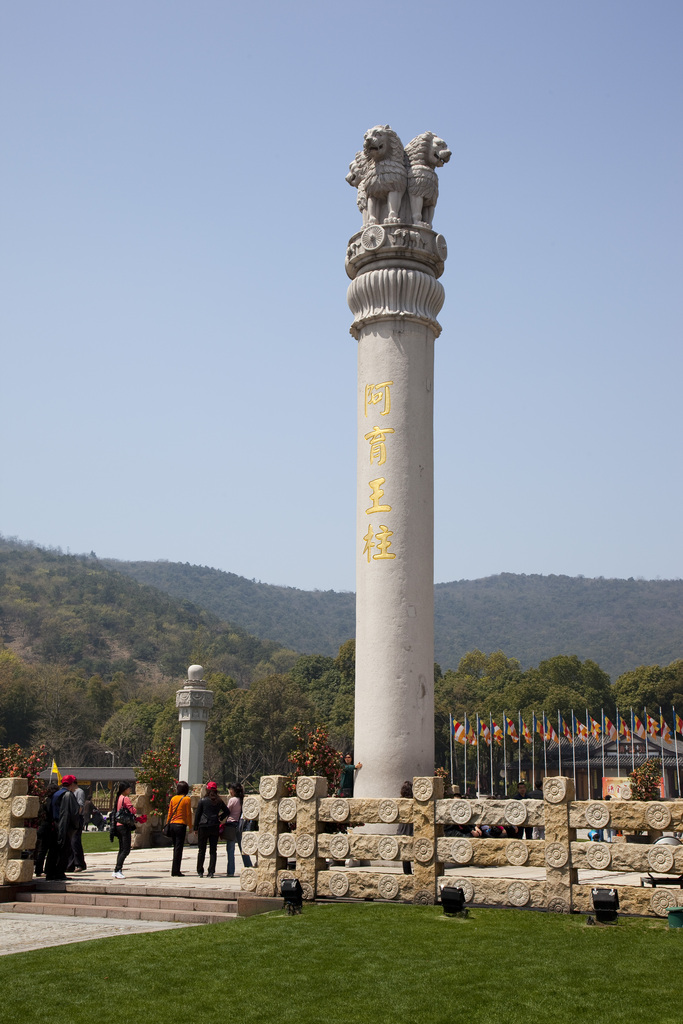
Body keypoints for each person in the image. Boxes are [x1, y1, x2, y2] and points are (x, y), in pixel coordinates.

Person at [45, 775, 80, 880]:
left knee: (54, 849)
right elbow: (73, 813)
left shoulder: (56, 794)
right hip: (64, 824)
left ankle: (50, 872)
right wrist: (75, 826)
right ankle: (60, 872)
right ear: (72, 784)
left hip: (54, 823)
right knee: (64, 850)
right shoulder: (68, 794)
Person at [194, 781, 227, 878]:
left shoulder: (202, 800)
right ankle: (211, 871)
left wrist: (196, 827)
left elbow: (198, 815)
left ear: (207, 790)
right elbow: (227, 811)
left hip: (203, 826)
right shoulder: (219, 801)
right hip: (214, 826)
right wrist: (220, 818)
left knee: (201, 850)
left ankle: (200, 871)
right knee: (213, 850)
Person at [166, 781, 193, 877]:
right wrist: (191, 827)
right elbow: (188, 814)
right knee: (179, 848)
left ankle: (174, 869)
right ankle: (176, 870)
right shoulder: (187, 799)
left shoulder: (173, 798)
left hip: (172, 824)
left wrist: (167, 824)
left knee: (175, 848)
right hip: (181, 825)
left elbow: (170, 812)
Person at [111, 782, 137, 879]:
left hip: (118, 825)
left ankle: (117, 869)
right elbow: (133, 810)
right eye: (129, 788)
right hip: (124, 825)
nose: (130, 790)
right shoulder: (125, 798)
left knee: (121, 848)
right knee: (126, 849)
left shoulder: (118, 798)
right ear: (125, 789)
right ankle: (118, 869)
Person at [34, 783, 59, 877]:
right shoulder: (51, 801)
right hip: (48, 826)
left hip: (43, 826)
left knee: (42, 849)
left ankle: (39, 869)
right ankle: (43, 869)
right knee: (47, 849)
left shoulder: (45, 800)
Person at [225, 782, 248, 876]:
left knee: (230, 849)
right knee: (242, 847)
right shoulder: (242, 800)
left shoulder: (232, 800)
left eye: (230, 789)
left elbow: (227, 811)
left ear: (234, 791)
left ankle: (230, 871)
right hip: (240, 825)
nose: (229, 791)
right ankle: (248, 866)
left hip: (231, 824)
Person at [67, 783, 87, 872]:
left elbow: (80, 806)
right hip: (70, 819)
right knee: (70, 842)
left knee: (75, 841)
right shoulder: (69, 792)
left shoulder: (79, 792)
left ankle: (79, 863)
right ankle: (70, 863)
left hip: (77, 818)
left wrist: (76, 817)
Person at [397, 781, 413, 874]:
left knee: (405, 857)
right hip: (411, 829)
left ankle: (407, 873)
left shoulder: (400, 802)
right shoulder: (414, 802)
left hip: (402, 830)